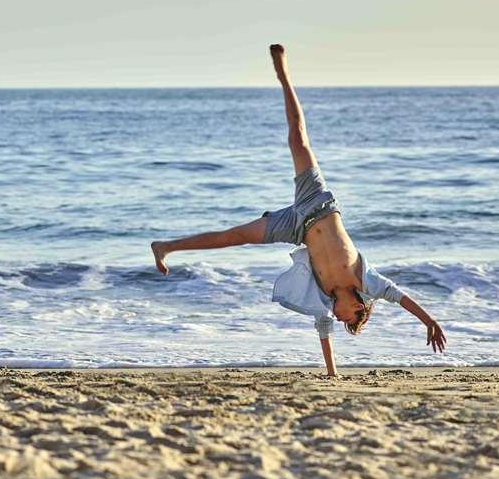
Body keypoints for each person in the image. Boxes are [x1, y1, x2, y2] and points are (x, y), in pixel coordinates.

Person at [150, 44, 447, 376]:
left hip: (294, 226)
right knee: (299, 141)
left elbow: (323, 332)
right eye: (346, 317)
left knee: (233, 236)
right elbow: (401, 297)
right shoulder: (369, 282)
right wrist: (430, 321)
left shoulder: (322, 298)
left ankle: (166, 247)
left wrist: (332, 374)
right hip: (317, 202)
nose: (338, 316)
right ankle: (284, 77)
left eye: (340, 320)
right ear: (359, 306)